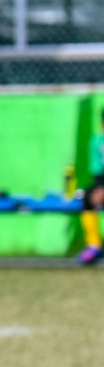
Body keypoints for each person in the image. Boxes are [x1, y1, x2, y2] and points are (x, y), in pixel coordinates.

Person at [78, 107, 104, 265]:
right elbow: (96, 172)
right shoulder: (96, 141)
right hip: (102, 183)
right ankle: (94, 245)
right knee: (88, 196)